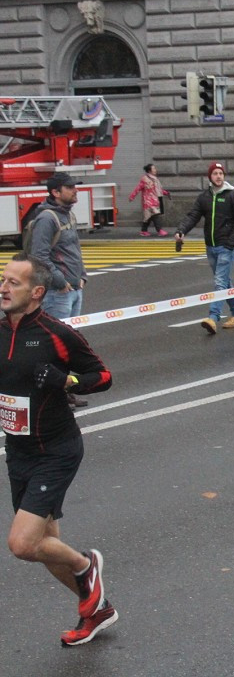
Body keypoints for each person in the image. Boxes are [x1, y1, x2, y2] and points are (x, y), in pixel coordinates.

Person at [1, 253, 115, 646]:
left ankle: (88, 565)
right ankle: (97, 610)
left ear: (36, 292)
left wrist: (64, 380)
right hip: (18, 451)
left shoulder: (55, 333)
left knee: (22, 544)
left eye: (13, 282)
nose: (3, 287)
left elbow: (102, 376)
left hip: (56, 449)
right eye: (2, 279)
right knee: (47, 546)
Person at [176, 163, 234, 335]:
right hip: (211, 246)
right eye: (215, 173)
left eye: (221, 173)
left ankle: (213, 317)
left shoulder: (233, 196)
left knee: (220, 281)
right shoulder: (204, 197)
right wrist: (181, 230)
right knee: (224, 281)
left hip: (226, 246)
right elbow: (193, 216)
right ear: (210, 177)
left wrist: (232, 243)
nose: (218, 176)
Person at [29, 174, 89, 327]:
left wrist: (82, 275)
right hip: (57, 293)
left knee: (70, 339)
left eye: (75, 187)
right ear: (55, 193)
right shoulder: (47, 219)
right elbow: (39, 256)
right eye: (69, 188)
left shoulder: (68, 214)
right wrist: (60, 282)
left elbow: (74, 248)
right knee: (55, 341)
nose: (75, 191)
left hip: (74, 289)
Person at [128, 163, 169, 236]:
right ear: (149, 171)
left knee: (148, 217)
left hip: (155, 200)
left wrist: (165, 192)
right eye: (154, 169)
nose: (155, 170)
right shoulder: (144, 179)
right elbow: (138, 188)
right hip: (148, 202)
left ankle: (144, 231)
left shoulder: (155, 179)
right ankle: (159, 230)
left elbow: (158, 189)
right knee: (156, 215)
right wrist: (132, 196)